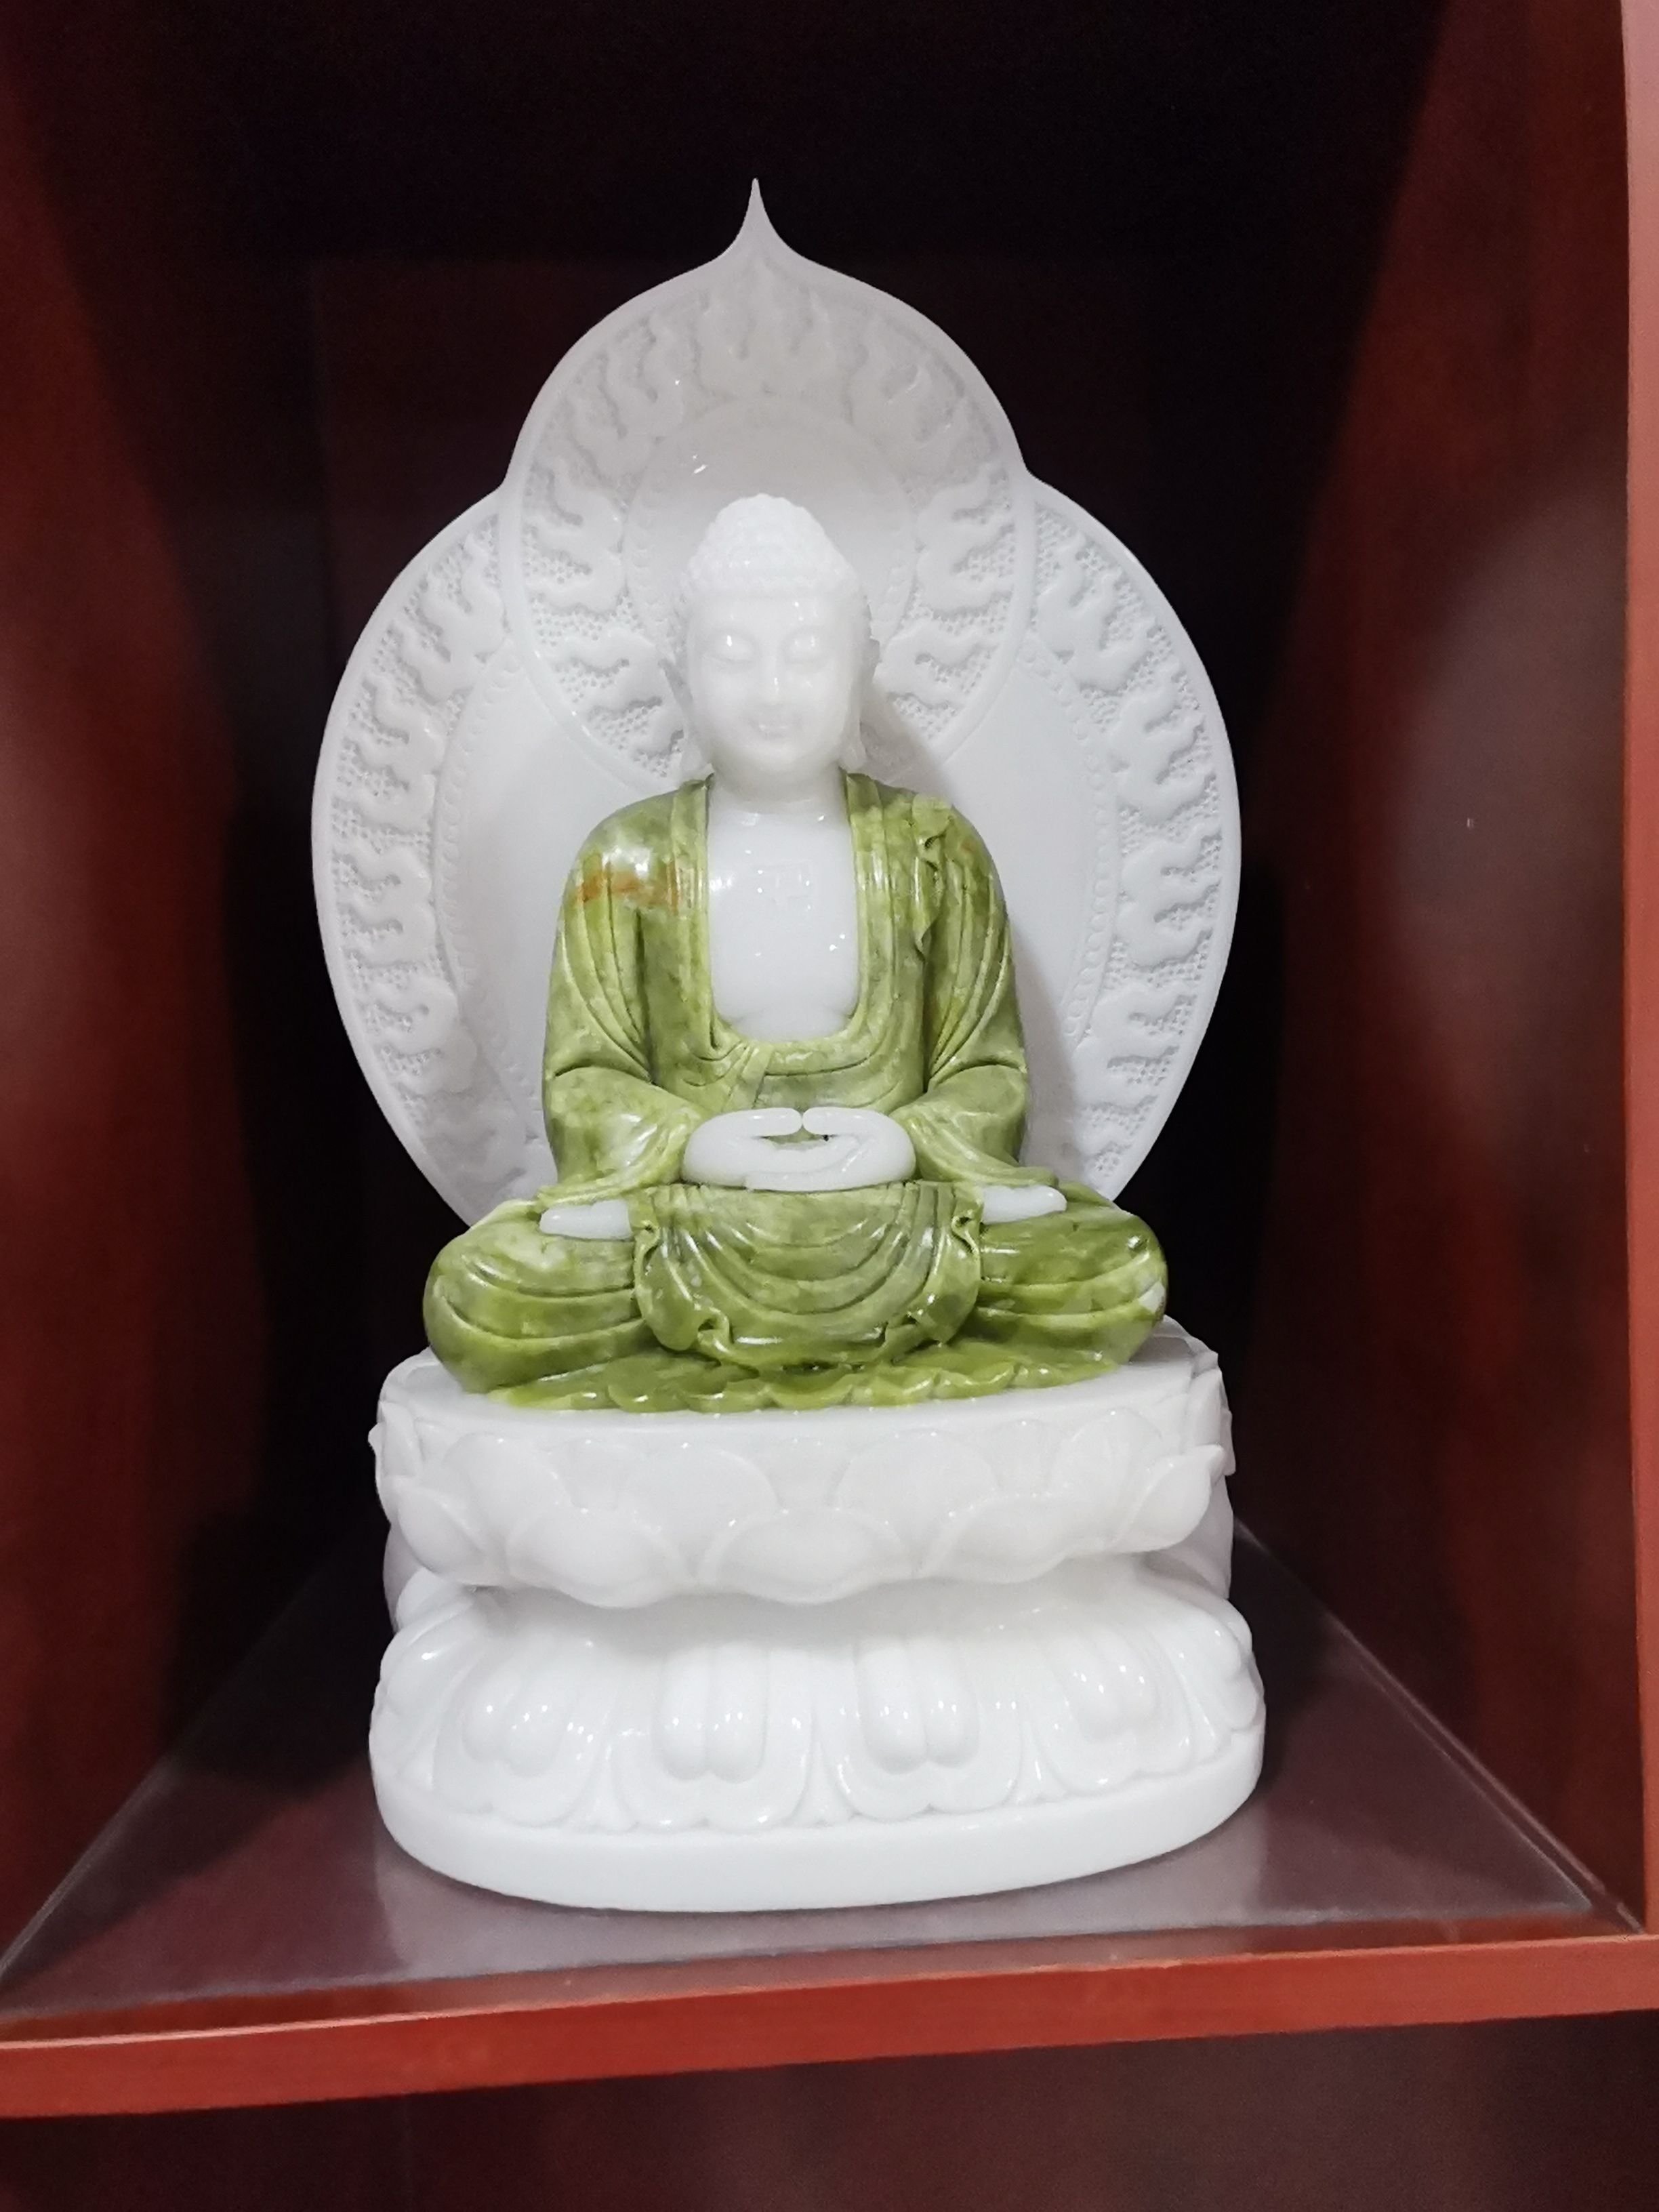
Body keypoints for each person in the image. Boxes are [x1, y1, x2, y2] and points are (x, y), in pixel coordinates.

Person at [425, 496, 1167, 1410]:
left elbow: (989, 1073)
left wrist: (899, 1140)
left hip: (905, 1212)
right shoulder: (627, 859)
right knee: (481, 1295)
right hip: (683, 1221)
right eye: (734, 655)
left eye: (808, 653)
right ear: (681, 679)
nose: (773, 690)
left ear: (861, 671)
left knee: (1114, 1268)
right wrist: (698, 1144)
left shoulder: (935, 850)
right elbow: (585, 1081)